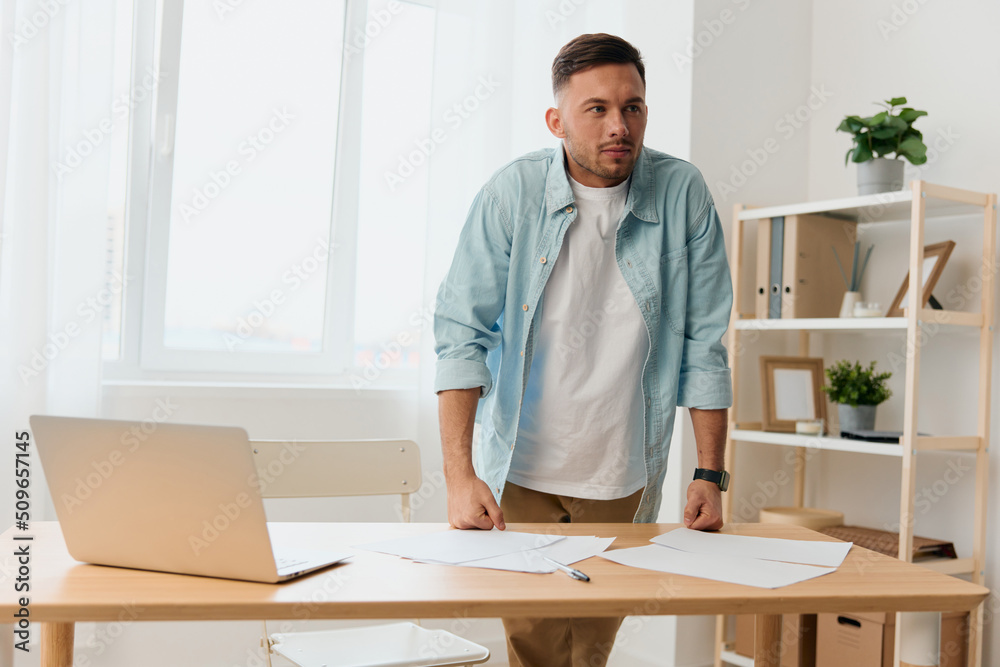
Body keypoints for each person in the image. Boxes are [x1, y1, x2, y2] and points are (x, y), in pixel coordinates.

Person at [432, 33, 733, 667]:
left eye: (633, 107)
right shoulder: (511, 194)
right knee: (532, 645)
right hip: (519, 468)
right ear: (557, 120)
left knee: (591, 649)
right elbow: (462, 332)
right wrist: (460, 477)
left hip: (622, 473)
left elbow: (703, 344)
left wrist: (709, 472)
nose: (619, 125)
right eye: (596, 108)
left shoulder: (683, 194)